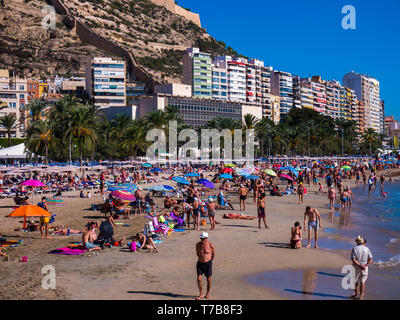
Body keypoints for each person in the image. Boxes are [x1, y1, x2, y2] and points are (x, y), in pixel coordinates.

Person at [350, 235, 373, 299]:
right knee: (362, 281)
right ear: (362, 242)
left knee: (355, 281)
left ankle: (356, 295)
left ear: (357, 242)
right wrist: (365, 265)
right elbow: (371, 259)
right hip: (364, 267)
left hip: (356, 266)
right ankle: (361, 295)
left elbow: (353, 259)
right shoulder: (367, 248)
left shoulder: (354, 248)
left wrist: (359, 265)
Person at [196, 232, 215, 300]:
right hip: (200, 263)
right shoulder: (198, 244)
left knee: (208, 279)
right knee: (199, 279)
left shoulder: (210, 245)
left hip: (208, 263)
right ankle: (201, 294)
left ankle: (208, 293)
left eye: (203, 238)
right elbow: (197, 253)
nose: (201, 239)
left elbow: (213, 254)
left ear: (206, 238)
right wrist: (201, 258)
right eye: (201, 238)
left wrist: (209, 260)